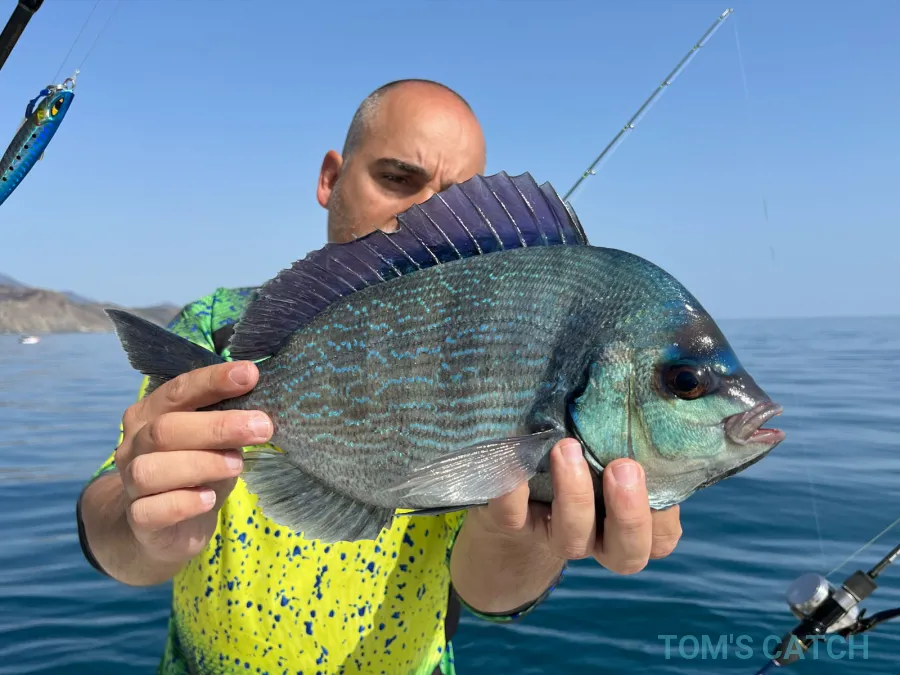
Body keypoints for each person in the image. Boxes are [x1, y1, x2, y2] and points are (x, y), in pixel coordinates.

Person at [76, 79, 683, 675]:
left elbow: (487, 594)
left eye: (458, 202)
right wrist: (140, 519)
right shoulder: (214, 331)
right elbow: (112, 540)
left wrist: (530, 536)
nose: (426, 214)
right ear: (331, 178)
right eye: (397, 178)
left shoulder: (506, 354)